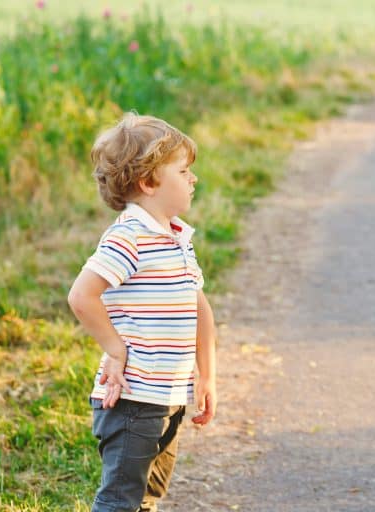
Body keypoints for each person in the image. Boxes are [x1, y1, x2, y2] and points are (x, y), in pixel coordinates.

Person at [68, 113, 217, 512]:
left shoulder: (176, 235)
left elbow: (199, 308)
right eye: (183, 171)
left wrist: (206, 376)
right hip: (134, 399)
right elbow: (82, 296)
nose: (193, 179)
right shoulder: (129, 236)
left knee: (147, 498)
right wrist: (115, 350)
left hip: (170, 396)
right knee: (120, 500)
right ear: (149, 182)